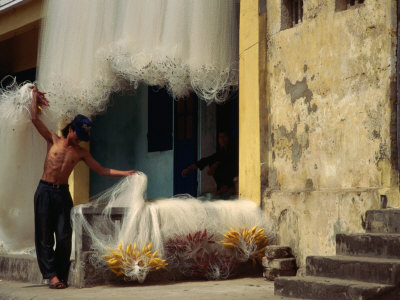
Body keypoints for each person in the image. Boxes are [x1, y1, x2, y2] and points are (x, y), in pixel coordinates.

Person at [30, 86, 136, 289]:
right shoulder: (53, 140)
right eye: (77, 135)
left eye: (82, 138)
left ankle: (60, 274)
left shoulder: (80, 153)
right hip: (44, 191)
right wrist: (34, 97)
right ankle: (51, 275)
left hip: (62, 194)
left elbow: (102, 170)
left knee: (63, 236)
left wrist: (126, 173)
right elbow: (35, 120)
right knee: (44, 236)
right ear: (70, 129)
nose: (79, 139)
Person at [182, 131, 238, 196]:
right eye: (220, 137)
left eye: (224, 137)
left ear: (228, 138)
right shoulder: (221, 152)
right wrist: (189, 169)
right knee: (212, 161)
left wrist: (215, 165)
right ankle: (224, 187)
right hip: (225, 184)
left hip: (234, 179)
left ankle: (227, 187)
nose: (222, 140)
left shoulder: (234, 149)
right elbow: (207, 160)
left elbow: (230, 163)